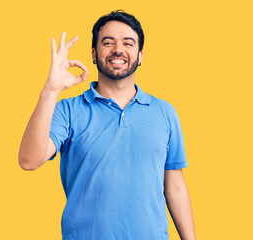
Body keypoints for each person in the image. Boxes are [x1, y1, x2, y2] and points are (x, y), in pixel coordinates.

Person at [18, 10, 196, 240]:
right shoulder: (68, 110)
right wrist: (51, 90)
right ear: (94, 53)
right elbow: (29, 161)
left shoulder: (165, 112)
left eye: (128, 43)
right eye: (108, 42)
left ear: (140, 55)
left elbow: (175, 187)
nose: (118, 50)